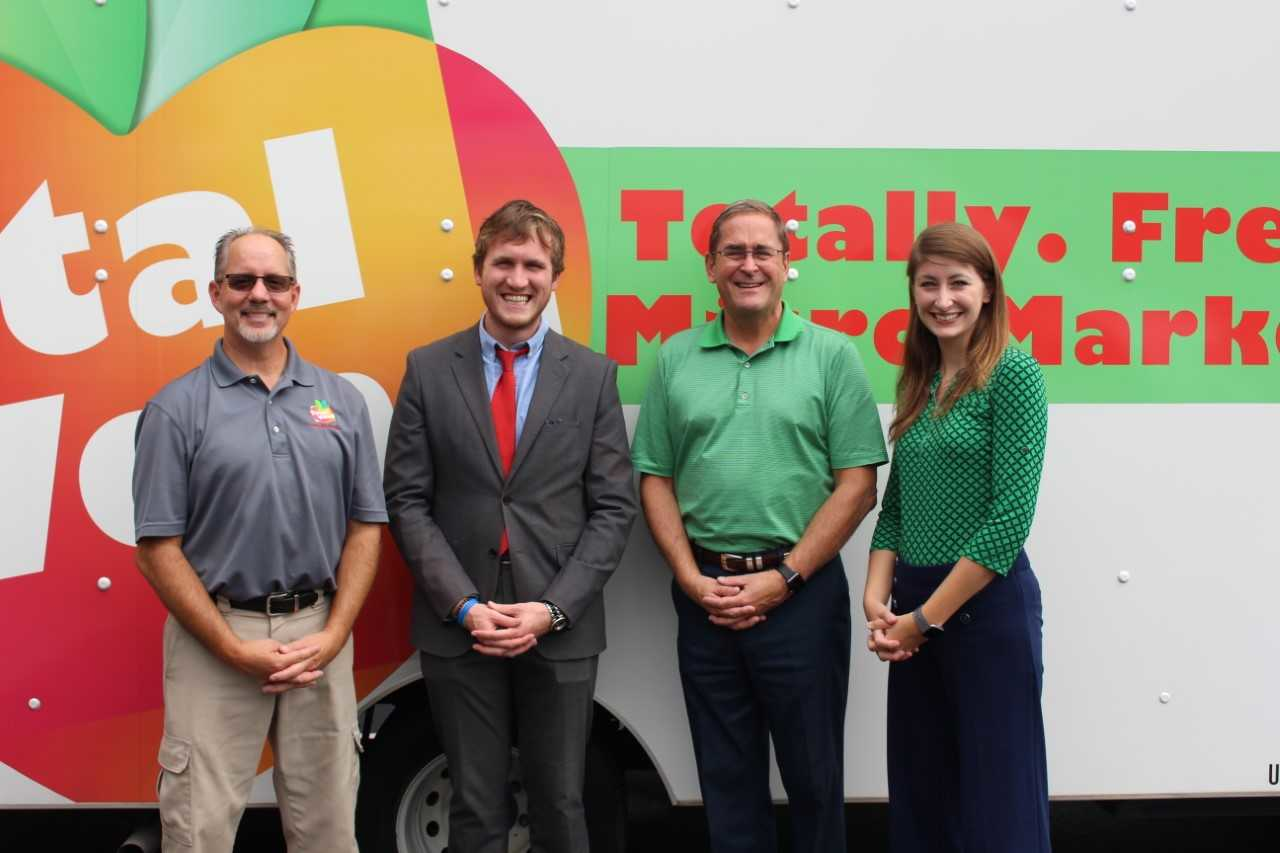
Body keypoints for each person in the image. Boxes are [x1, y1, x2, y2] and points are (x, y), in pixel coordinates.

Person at [631, 199, 888, 853]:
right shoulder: (676, 358)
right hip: (706, 597)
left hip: (801, 595)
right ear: (711, 265)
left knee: (814, 779)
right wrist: (690, 577)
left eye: (762, 252)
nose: (749, 265)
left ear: (786, 263)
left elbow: (858, 482)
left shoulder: (831, 355)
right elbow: (654, 476)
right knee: (726, 781)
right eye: (734, 252)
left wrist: (786, 575)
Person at [383, 199, 637, 853]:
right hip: (458, 623)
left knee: (560, 801)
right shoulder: (427, 369)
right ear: (478, 269)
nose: (517, 278)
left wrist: (553, 608)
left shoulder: (591, 375)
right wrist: (463, 603)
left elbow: (613, 507)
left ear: (554, 277)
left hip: (560, 625)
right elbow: (406, 499)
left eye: (533, 264)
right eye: (504, 261)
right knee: (474, 803)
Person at [132, 227, 387, 853]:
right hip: (215, 636)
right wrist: (230, 648)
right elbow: (157, 548)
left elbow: (365, 527)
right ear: (216, 293)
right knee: (198, 830)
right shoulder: (176, 409)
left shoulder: (340, 401)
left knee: (329, 828)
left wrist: (335, 634)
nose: (258, 294)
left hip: (319, 637)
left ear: (295, 295)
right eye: (242, 281)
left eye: (274, 282)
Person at [864, 221, 1050, 852]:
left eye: (958, 283)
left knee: (997, 803)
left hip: (981, 611)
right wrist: (876, 597)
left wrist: (922, 620)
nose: (943, 299)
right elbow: (895, 508)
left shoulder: (1013, 373)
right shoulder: (917, 379)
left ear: (989, 290)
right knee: (924, 796)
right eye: (928, 283)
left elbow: (1008, 523)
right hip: (914, 610)